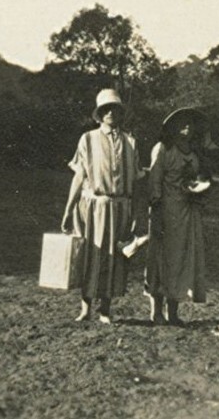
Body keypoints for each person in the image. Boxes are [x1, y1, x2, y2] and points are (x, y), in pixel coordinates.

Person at [60, 88, 142, 324]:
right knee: (92, 255)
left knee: (114, 257)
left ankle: (105, 310)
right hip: (94, 206)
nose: (110, 113)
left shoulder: (130, 142)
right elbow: (79, 176)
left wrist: (135, 212)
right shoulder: (88, 139)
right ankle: (86, 309)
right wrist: (68, 209)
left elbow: (136, 181)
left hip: (121, 207)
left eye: (114, 109)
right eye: (106, 109)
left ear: (120, 112)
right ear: (99, 114)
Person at [145, 107, 210, 326]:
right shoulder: (163, 149)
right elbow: (155, 180)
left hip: (187, 213)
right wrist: (156, 209)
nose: (187, 127)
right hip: (166, 212)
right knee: (161, 260)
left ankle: (173, 311)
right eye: (182, 123)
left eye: (191, 123)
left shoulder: (193, 153)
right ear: (173, 126)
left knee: (181, 260)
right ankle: (156, 311)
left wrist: (198, 189)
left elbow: (200, 178)